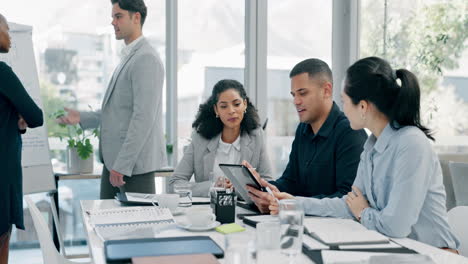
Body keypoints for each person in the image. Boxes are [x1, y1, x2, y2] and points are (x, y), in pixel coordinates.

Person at [267, 56, 460, 251]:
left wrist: (363, 211)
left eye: (344, 101)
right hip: (394, 249)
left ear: (362, 106)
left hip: (432, 254)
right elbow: (348, 204)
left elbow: (395, 226)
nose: (343, 109)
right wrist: (294, 203)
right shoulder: (371, 146)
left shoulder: (411, 143)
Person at [57, 0, 167, 199]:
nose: (113, 22)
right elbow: (117, 112)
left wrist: (122, 165)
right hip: (114, 164)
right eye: (112, 17)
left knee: (137, 228)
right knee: (107, 225)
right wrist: (82, 117)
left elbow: (143, 118)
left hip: (132, 168)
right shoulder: (128, 56)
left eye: (118, 16)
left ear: (136, 18)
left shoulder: (146, 59)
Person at [246, 58, 367, 213]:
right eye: (293, 94)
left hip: (334, 230)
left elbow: (348, 198)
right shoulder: (303, 129)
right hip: (302, 223)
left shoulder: (350, 132)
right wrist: (268, 189)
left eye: (302, 93)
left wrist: (292, 203)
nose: (296, 101)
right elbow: (291, 181)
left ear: (326, 90)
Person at [169, 79, 273, 197]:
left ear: (245, 104)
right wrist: (212, 187)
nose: (231, 111)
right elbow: (174, 184)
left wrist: (245, 186)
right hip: (208, 211)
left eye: (236, 104)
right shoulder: (200, 139)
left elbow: (268, 183)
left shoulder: (256, 136)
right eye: (224, 106)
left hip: (245, 210)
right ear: (216, 110)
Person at [0, 14, 44, 264]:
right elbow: (35, 116)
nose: (11, 37)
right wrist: (20, 119)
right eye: (7, 29)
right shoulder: (2, 72)